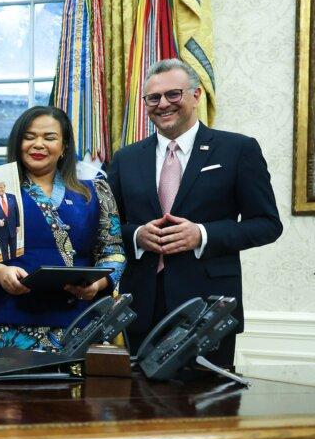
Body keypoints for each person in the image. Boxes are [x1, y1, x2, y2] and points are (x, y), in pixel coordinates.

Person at [107, 58, 281, 366]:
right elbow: (106, 227)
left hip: (208, 307)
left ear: (196, 95)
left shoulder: (237, 149)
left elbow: (267, 224)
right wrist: (136, 235)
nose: (163, 104)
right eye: (153, 98)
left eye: (173, 94)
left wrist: (201, 234)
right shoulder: (125, 158)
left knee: (209, 405)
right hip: (142, 306)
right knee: (141, 406)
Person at [0, 105, 126, 351]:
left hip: (77, 323)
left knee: (74, 391)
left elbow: (113, 252)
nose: (38, 144)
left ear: (64, 147)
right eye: (29, 137)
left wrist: (99, 284)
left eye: (49, 138)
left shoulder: (96, 192)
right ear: (17, 143)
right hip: (0, 323)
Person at [0, 181, 20, 262]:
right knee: (4, 252)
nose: (0, 189)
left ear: (4, 187)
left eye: (1, 187)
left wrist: (17, 225)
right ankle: (7, 265)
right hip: (1, 231)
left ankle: (14, 263)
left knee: (13, 250)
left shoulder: (12, 197)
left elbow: (16, 211)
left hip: (13, 229)